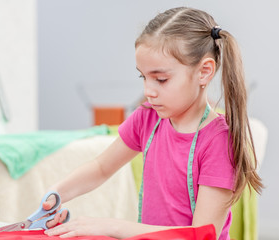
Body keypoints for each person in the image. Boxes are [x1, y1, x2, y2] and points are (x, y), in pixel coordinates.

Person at [42, 7, 263, 240]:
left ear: (204, 72)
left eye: (160, 79)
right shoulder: (148, 118)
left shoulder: (218, 141)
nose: (148, 91)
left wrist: (111, 227)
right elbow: (101, 168)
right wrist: (56, 193)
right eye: (143, 77)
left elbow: (201, 235)